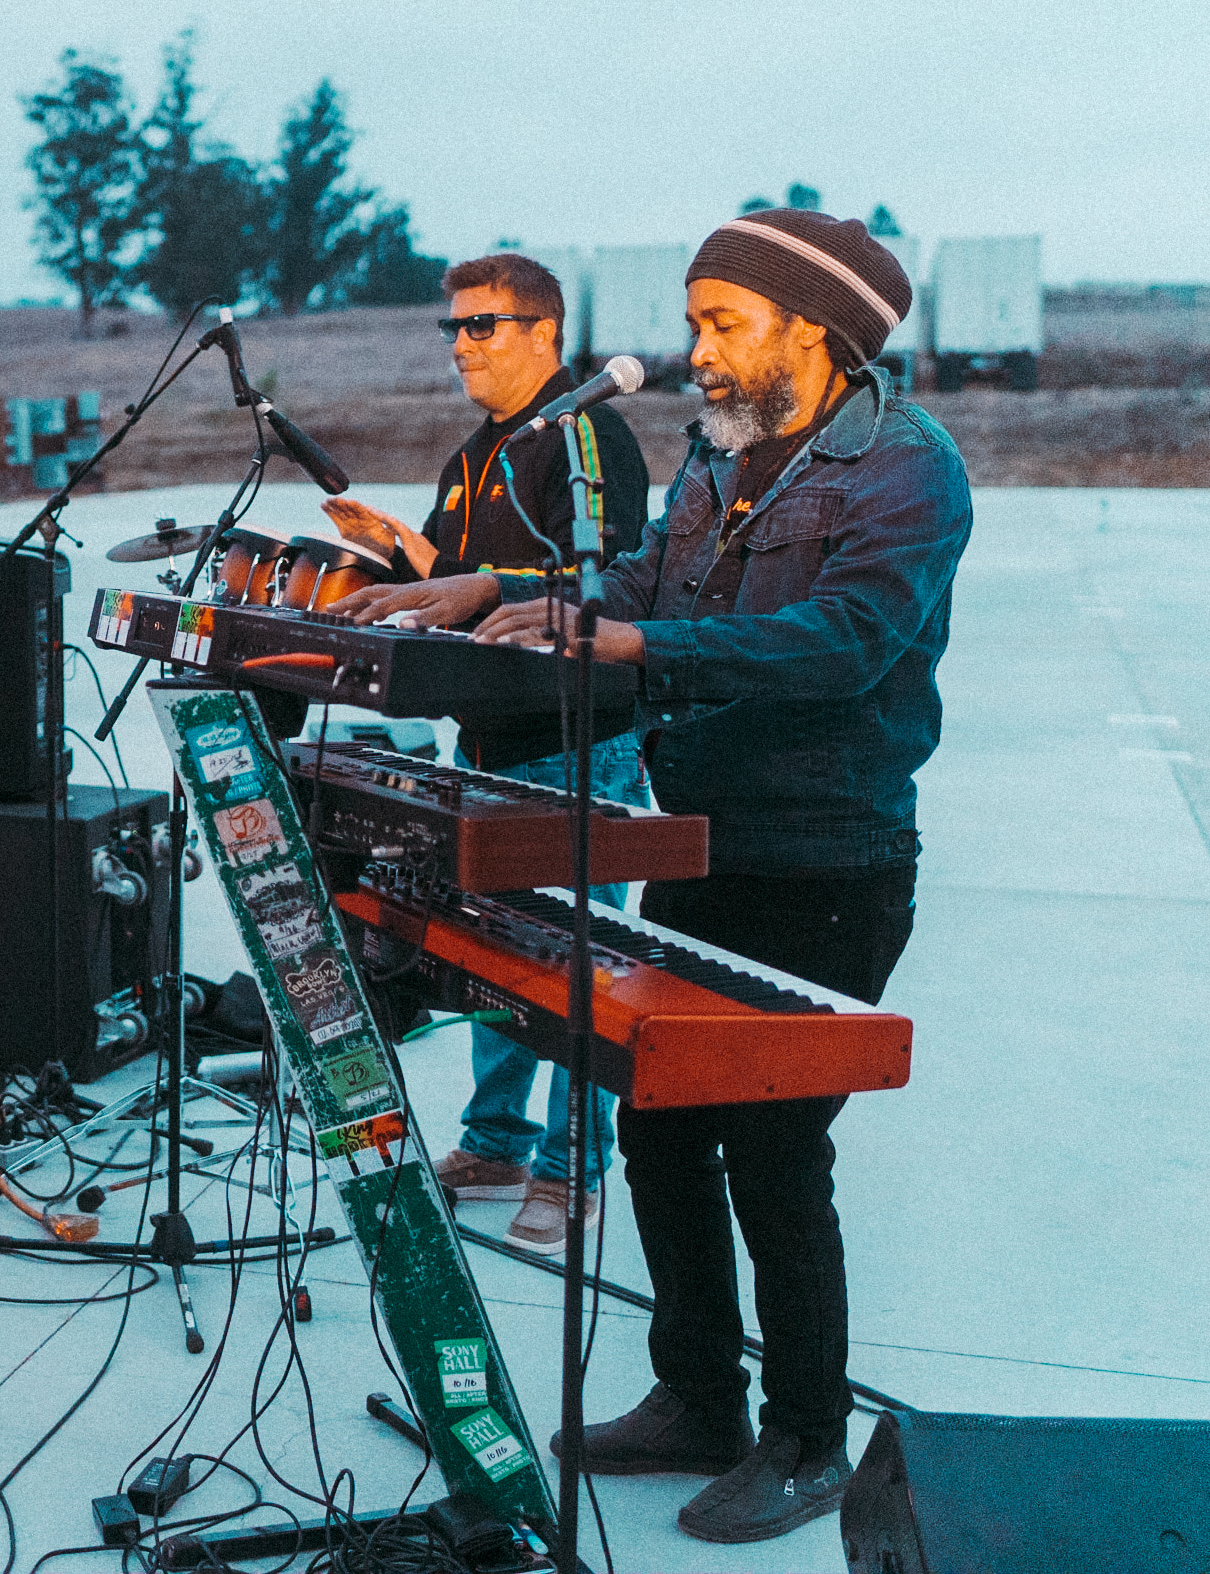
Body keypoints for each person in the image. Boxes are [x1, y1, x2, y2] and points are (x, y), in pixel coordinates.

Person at [335, 210, 969, 1544]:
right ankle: (699, 1396)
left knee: (778, 1148)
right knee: (661, 1127)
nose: (698, 349)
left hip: (829, 860)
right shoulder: (717, 454)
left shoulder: (906, 467)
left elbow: (841, 641)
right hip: (694, 842)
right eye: (697, 320)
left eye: (723, 322)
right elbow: (639, 573)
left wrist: (635, 645)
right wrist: (495, 590)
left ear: (811, 328)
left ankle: (804, 1432)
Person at [334, 253, 653, 1254]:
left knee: (573, 960)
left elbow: (603, 584)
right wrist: (394, 557)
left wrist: (482, 586)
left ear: (544, 335)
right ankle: (497, 1141)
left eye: (483, 326)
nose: (460, 344)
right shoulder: (475, 453)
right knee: (494, 946)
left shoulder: (588, 433)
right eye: (453, 328)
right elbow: (454, 580)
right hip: (490, 733)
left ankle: (572, 1167)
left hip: (575, 740)